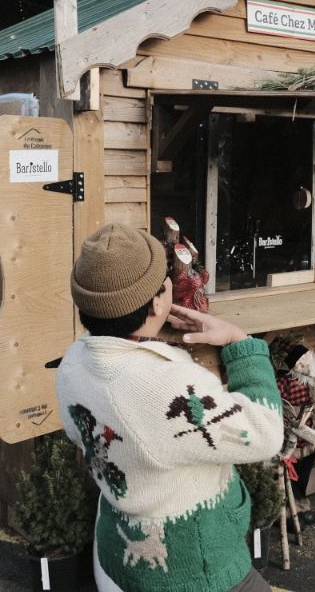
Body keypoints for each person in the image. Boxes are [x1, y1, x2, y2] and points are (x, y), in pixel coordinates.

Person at [55, 223, 283, 592]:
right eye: (165, 282)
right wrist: (240, 343)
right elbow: (267, 433)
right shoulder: (164, 386)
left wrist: (151, 339)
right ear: (160, 301)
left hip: (118, 549)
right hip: (194, 570)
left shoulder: (73, 363)